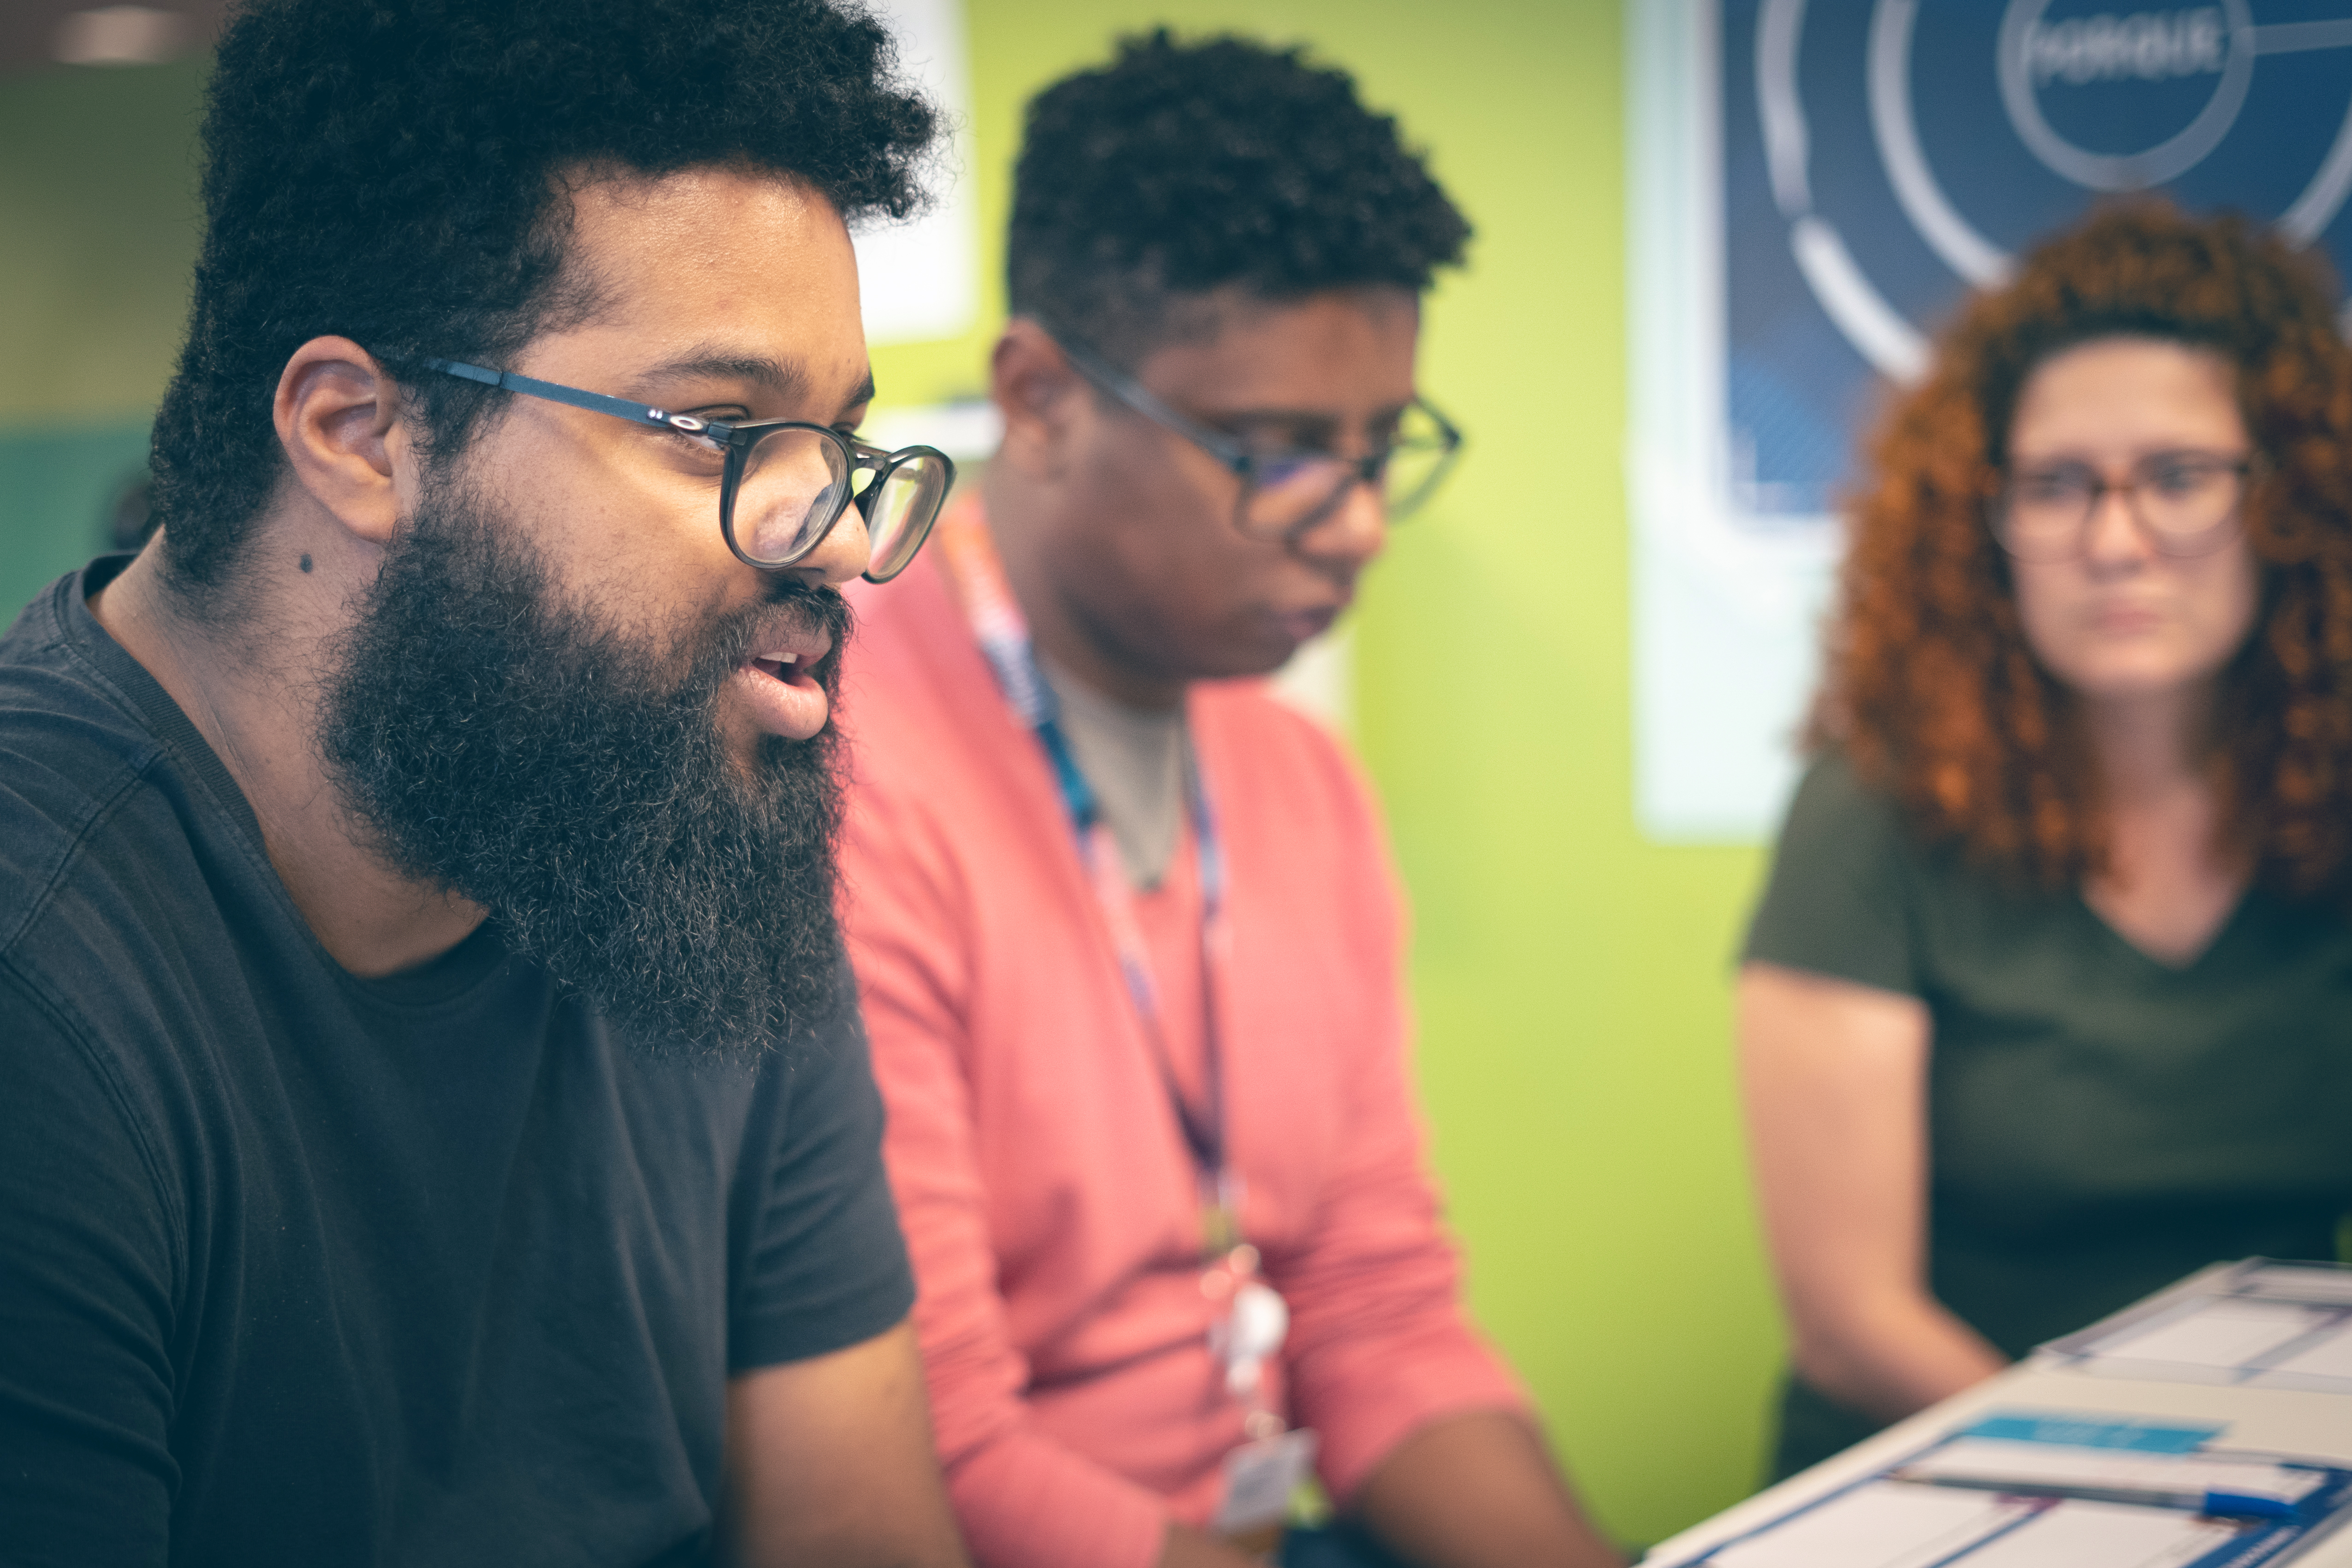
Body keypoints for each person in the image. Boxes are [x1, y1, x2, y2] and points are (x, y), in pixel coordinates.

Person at [0, 0, 973, 1563]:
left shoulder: (683, 845)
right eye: (717, 432)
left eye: (836, 444)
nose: (841, 536)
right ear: (360, 434)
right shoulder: (46, 978)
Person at [835, 33, 1622, 1568]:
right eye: (1272, 454)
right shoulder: (845, 773)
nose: (1356, 529)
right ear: (1042, 399)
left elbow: (1377, 1312)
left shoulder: (1298, 781)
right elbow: (933, 1455)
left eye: (1380, 448)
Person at [1738, 202, 2352, 1480]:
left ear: (2288, 500)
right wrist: (2169, 1467)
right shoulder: (1869, 811)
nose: (2115, 541)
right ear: (1985, 518)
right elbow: (1854, 1325)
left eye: (2180, 477)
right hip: (1950, 1470)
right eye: (2057, 484)